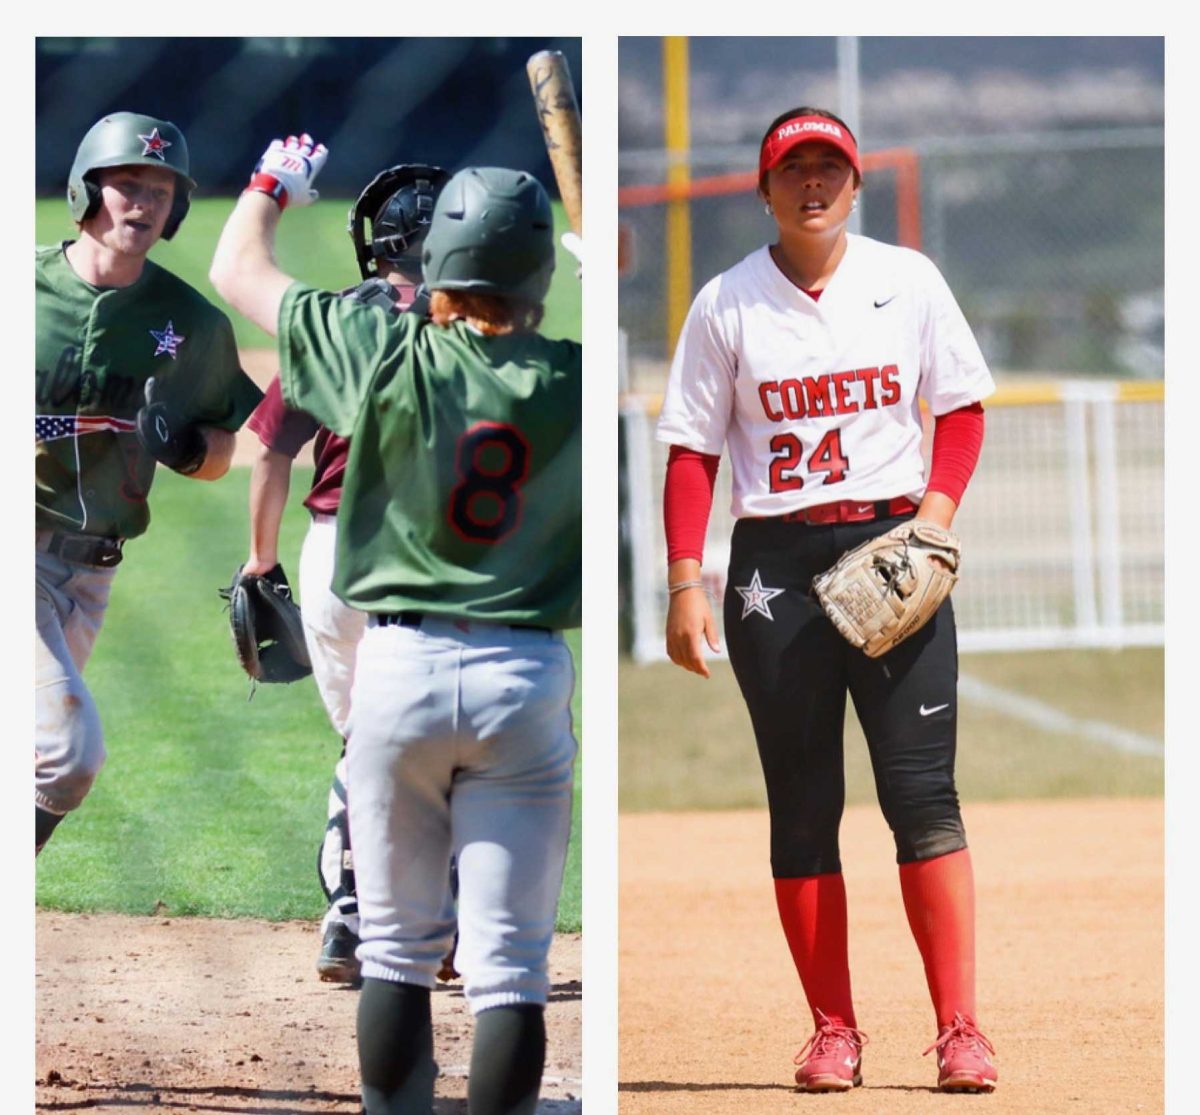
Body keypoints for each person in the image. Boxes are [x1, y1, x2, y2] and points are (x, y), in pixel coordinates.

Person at [211, 134, 580, 1115]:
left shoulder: (374, 346)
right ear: (539, 265)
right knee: (507, 968)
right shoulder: (573, 376)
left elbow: (234, 267)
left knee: (395, 948)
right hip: (523, 673)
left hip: (397, 665)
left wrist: (270, 183)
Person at [656, 106, 997, 1093]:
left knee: (921, 792)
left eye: (830, 167)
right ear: (763, 188)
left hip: (893, 542)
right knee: (802, 800)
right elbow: (692, 449)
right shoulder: (727, 303)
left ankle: (962, 1028)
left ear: (856, 184)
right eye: (793, 167)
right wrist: (686, 578)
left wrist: (933, 516)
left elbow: (963, 408)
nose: (814, 182)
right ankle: (832, 1029)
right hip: (776, 566)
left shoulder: (908, 281)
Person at [238, 163, 456, 986]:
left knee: (363, 740)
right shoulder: (475, 324)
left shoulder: (328, 323)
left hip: (331, 557)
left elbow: (269, 451)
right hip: (434, 558)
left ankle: (351, 915)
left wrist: (261, 558)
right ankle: (437, 922)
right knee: (439, 744)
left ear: (377, 245)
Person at [35, 111, 263, 854]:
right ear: (86, 190)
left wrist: (191, 448)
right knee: (67, 758)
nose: (143, 203)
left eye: (161, 191)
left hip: (92, 570)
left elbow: (235, 443)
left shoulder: (187, 322)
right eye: (127, 185)